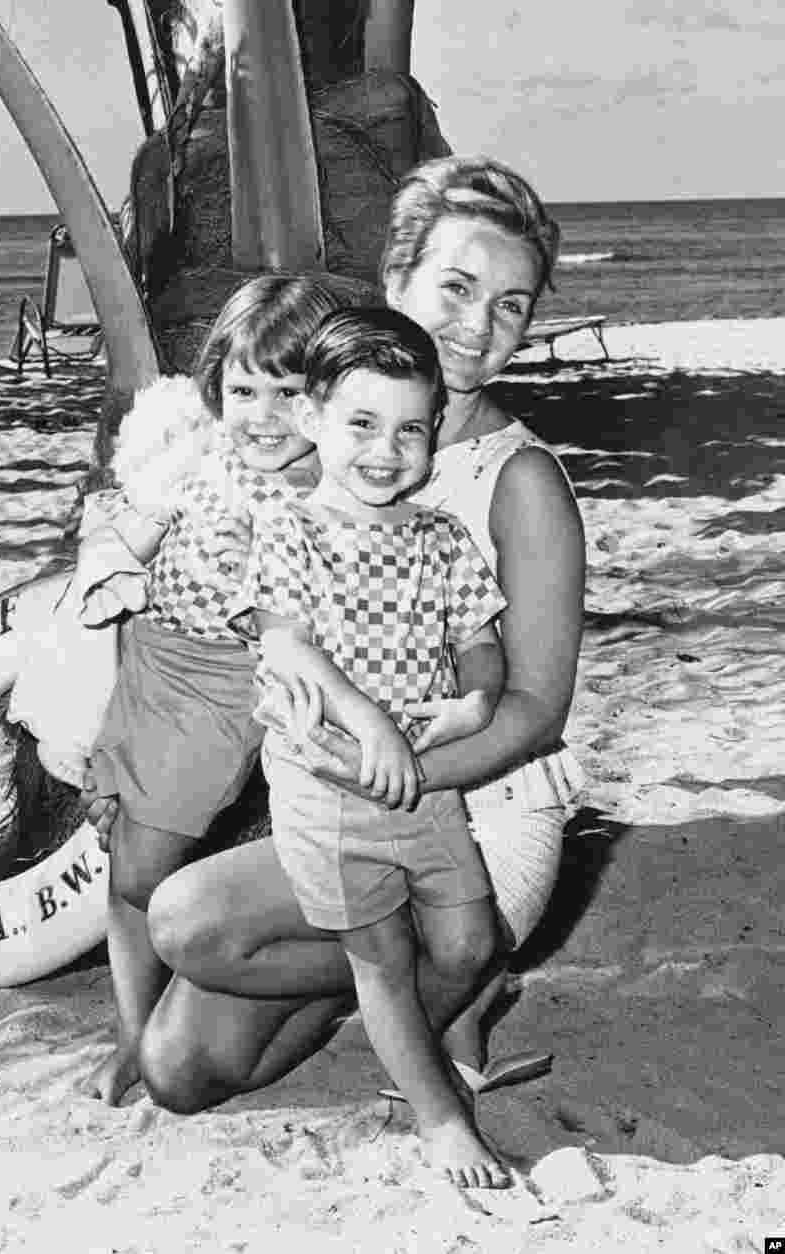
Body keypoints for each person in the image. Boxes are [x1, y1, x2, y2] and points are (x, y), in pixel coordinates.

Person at [133, 155, 586, 1134]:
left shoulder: (521, 485)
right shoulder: (318, 434)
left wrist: (389, 779)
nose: (476, 323)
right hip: (329, 801)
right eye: (456, 287)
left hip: (472, 815)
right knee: (178, 1067)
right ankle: (423, 982)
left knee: (187, 921)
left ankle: (460, 960)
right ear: (393, 284)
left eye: (510, 305)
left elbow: (535, 709)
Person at [233, 306, 511, 1186]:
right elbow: (285, 642)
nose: (385, 451)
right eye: (361, 424)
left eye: (410, 429)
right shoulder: (292, 526)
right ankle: (438, 1117)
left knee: (470, 943)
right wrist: (372, 721)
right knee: (383, 959)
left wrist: (475, 703)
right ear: (313, 418)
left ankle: (405, 1048)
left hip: (425, 785)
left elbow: (479, 638)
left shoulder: (440, 534)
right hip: (333, 787)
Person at [74, 274, 353, 1105]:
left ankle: (155, 1031)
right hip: (151, 658)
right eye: (243, 390)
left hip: (223, 684)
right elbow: (142, 525)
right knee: (123, 851)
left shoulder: (325, 489)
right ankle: (135, 1032)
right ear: (215, 388)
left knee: (143, 867)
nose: (263, 416)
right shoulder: (201, 452)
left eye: (289, 393)